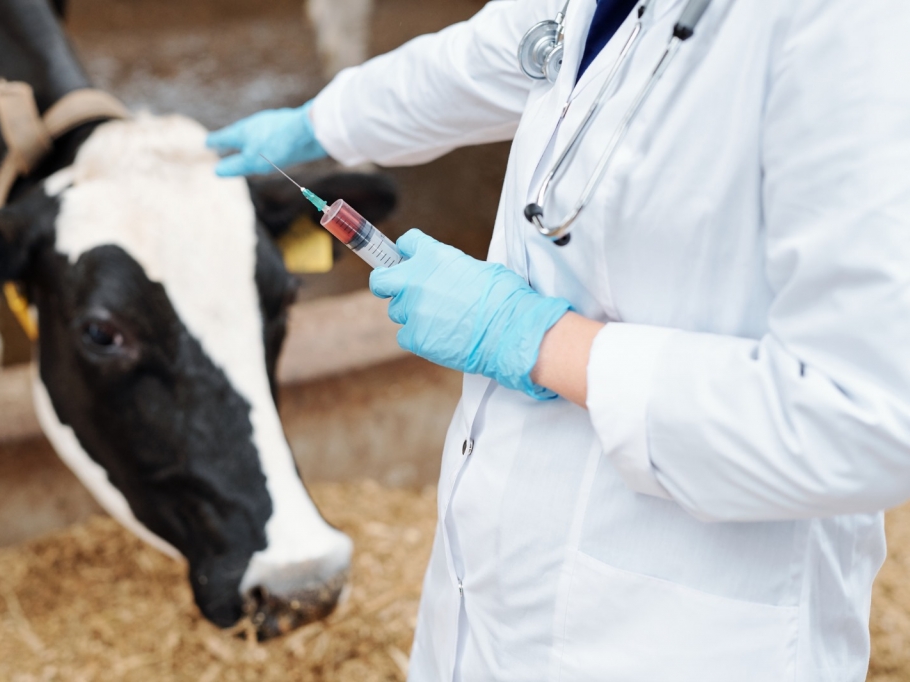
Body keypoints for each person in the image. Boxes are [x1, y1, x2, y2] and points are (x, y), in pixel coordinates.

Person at [206, 0, 910, 678]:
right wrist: (320, 123)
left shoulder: (848, 27)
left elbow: (864, 420)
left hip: (680, 633)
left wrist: (539, 342)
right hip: (490, 598)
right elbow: (495, 50)